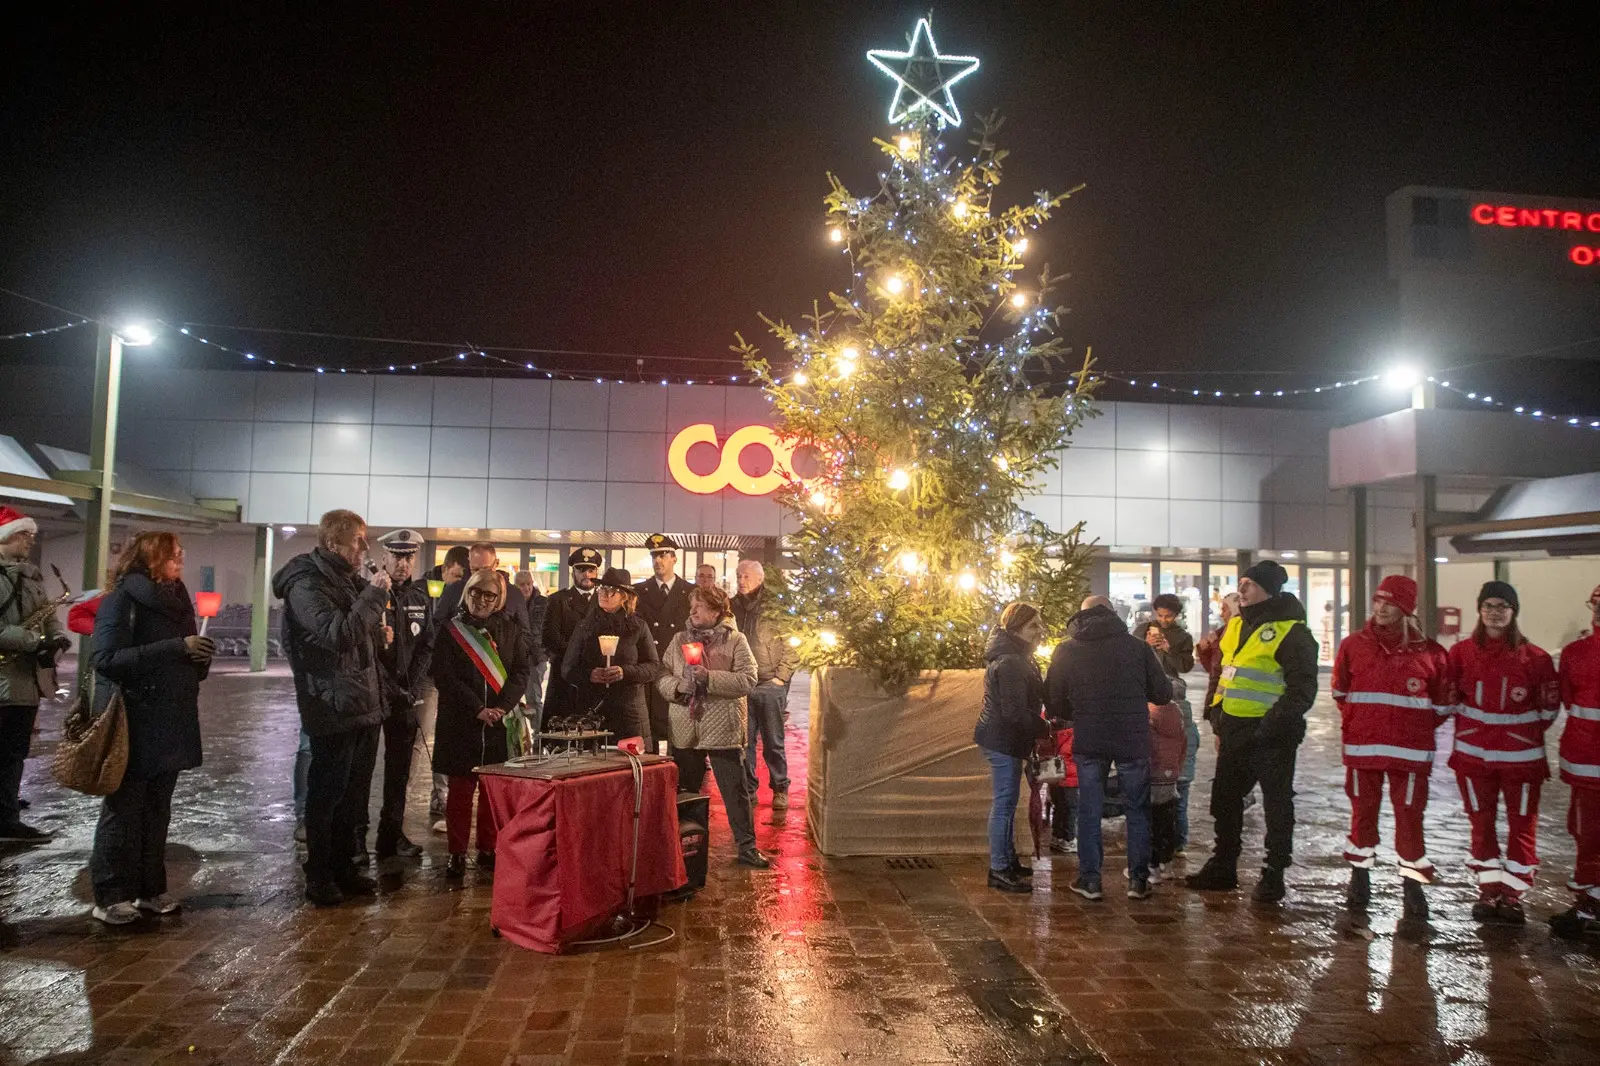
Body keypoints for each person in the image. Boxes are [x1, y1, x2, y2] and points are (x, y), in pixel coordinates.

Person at [86, 532, 215, 924]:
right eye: (172, 554)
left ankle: (150, 889)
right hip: (134, 719)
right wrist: (178, 648)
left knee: (158, 809)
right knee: (124, 809)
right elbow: (106, 658)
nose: (180, 558)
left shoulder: (177, 598)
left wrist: (200, 658)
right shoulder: (122, 599)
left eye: (181, 552)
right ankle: (110, 895)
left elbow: (183, 655)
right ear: (151, 558)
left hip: (171, 718)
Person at [273, 509, 391, 907]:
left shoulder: (345, 580)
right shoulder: (306, 584)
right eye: (359, 539)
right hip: (332, 703)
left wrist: (377, 628)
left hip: (363, 701)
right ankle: (320, 874)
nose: (365, 547)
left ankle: (346, 866)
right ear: (332, 543)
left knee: (355, 795)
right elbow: (337, 634)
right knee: (327, 794)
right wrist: (374, 597)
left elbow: (357, 633)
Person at [1186, 560, 1318, 903]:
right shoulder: (1236, 626)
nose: (1240, 590)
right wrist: (1217, 716)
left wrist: (1269, 726)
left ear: (1269, 590)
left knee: (1276, 805)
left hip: (1272, 735)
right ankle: (1223, 865)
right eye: (1240, 583)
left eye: (1249, 584)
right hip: (1234, 729)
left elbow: (1301, 690)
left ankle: (1273, 873)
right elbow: (1224, 671)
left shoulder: (1293, 632)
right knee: (1225, 799)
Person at [1332, 575, 1451, 919]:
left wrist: (1410, 727)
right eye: (1377, 601)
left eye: (1390, 603)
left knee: (1410, 819)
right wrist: (1363, 721)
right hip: (1363, 749)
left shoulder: (1431, 652)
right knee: (1362, 814)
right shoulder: (1353, 645)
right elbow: (1341, 692)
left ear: (1406, 609)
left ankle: (1412, 887)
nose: (1381, 608)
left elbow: (1442, 705)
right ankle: (1359, 877)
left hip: (1410, 754)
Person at [1446, 580, 1559, 924]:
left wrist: (1514, 736)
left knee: (1521, 826)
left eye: (1503, 607)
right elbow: (1450, 696)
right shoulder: (1461, 653)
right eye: (1489, 606)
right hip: (1473, 759)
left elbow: (1548, 711)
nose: (1496, 613)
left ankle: (1513, 896)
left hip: (1521, 763)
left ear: (1514, 612)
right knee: (1481, 825)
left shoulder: (1536, 659)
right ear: (1480, 611)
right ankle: (1489, 891)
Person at [1047, 595, 1172, 901]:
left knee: (1089, 809)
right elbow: (1163, 693)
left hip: (1090, 737)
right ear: (1113, 614)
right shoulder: (1137, 648)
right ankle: (1138, 881)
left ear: (1081, 616)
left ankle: (1090, 880)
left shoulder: (1067, 650)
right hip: (1132, 737)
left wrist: (1077, 711)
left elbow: (1053, 701)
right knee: (1137, 809)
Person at [657, 584, 768, 868]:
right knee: (687, 793)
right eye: (692, 605)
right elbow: (662, 676)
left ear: (718, 611)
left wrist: (709, 677)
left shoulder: (735, 640)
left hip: (723, 729)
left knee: (735, 791)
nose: (692, 611)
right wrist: (679, 687)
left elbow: (747, 680)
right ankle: (686, 848)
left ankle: (747, 846)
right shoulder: (679, 638)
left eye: (700, 606)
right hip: (687, 727)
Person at [431, 568, 532, 878]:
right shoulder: (450, 631)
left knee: (492, 792)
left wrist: (501, 708)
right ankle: (457, 853)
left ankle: (488, 848)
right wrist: (477, 708)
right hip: (462, 721)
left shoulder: (511, 631)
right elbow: (444, 676)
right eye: (476, 593)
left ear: (499, 599)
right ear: (468, 593)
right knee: (461, 792)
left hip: (498, 722)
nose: (482, 600)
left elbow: (520, 673)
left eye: (490, 595)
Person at [350, 529, 435, 862]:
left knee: (399, 770)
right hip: (374, 694)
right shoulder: (367, 593)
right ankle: (357, 838)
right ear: (383, 557)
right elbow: (362, 647)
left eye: (409, 557)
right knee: (362, 768)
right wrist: (388, 686)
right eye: (397, 556)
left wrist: (412, 687)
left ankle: (391, 833)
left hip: (405, 696)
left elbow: (426, 644)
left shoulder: (419, 597)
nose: (404, 563)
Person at [0, 505, 68, 843]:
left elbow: (45, 615)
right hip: (4, 677)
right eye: (24, 534)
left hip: (26, 682)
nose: (30, 540)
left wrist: (55, 635)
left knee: (14, 752)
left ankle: (6, 812)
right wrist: (33, 640)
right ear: (5, 537)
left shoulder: (32, 576)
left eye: (31, 535)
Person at [975, 601, 1051, 894]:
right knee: (1004, 803)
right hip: (1003, 739)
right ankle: (999, 869)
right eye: (1033, 626)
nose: (1040, 631)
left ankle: (1008, 862)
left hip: (1006, 738)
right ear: (1016, 628)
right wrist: (1043, 728)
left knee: (1006, 802)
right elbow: (1014, 712)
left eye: (1040, 624)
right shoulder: (1011, 661)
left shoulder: (1017, 656)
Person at [562, 568, 662, 746]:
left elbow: (653, 666)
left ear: (625, 596)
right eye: (602, 589)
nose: (604, 594)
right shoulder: (585, 626)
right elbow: (568, 669)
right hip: (592, 711)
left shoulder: (638, 627)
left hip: (629, 713)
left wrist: (626, 672)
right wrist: (589, 675)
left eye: (611, 591)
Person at [1552, 584, 1600, 940]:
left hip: (1586, 757)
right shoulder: (1575, 653)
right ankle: (1589, 903)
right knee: (1586, 836)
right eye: (1596, 604)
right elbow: (1570, 700)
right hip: (1586, 762)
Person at [733, 560, 797, 809]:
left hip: (771, 683)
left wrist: (782, 676)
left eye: (746, 576)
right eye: (739, 575)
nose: (741, 580)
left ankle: (780, 788)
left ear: (759, 579)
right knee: (745, 743)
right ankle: (749, 789)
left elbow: (794, 642)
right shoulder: (731, 606)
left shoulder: (776, 606)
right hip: (743, 684)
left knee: (773, 742)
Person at [635, 534, 692, 747]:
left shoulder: (690, 592)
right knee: (651, 728)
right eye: (654, 556)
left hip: (677, 669)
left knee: (678, 729)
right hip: (650, 667)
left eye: (663, 555)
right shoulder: (639, 592)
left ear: (674, 558)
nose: (658, 560)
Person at [541, 547, 602, 727]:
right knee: (561, 730)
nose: (587, 575)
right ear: (573, 571)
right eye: (581, 570)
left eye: (591, 570)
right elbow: (549, 637)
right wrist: (576, 654)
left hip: (593, 676)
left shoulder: (604, 601)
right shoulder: (557, 600)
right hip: (564, 676)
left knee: (592, 732)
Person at [434, 542, 528, 630]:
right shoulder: (454, 590)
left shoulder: (514, 594)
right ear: (469, 562)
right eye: (475, 569)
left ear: (496, 563)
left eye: (486, 569)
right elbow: (437, 626)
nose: (480, 575)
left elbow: (525, 634)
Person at [1148, 695, 1189, 883]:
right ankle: (1166, 865)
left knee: (1150, 824)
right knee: (1166, 822)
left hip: (1151, 776)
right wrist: (1175, 770)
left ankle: (1152, 868)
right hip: (1170, 776)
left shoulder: (1148, 712)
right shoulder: (1176, 715)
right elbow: (1184, 746)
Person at [1196, 591, 1241, 726]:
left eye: (1224, 609)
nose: (1221, 614)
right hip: (1219, 692)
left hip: (1231, 696)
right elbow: (1212, 668)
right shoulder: (1221, 632)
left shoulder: (1239, 631)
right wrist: (1204, 650)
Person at [513, 570, 550, 731]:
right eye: (522, 585)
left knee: (534, 698)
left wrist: (545, 652)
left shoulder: (543, 603)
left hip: (536, 657)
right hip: (516, 656)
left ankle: (537, 736)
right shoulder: (512, 602)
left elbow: (548, 629)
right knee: (512, 698)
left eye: (529, 583)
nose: (527, 588)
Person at [1144, 593, 1196, 678]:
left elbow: (1185, 668)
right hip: (1143, 681)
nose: (1163, 620)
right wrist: (1145, 645)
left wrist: (1169, 650)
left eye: (1168, 616)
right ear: (1155, 612)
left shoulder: (1183, 637)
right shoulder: (1143, 629)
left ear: (1176, 614)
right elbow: (1129, 659)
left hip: (1169, 682)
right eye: (1160, 615)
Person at [1047, 721, 1078, 854]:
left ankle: (1057, 836)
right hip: (1069, 776)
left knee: (1059, 805)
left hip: (1054, 775)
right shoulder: (1074, 733)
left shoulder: (1049, 729)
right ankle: (1068, 839)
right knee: (1071, 808)